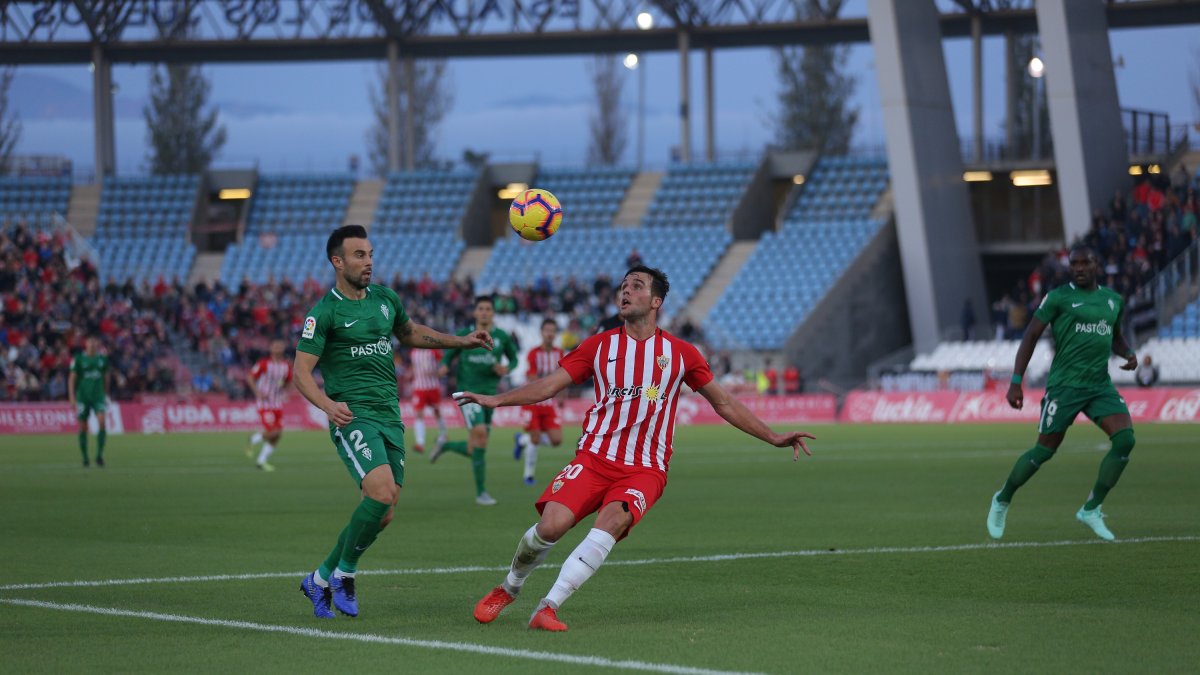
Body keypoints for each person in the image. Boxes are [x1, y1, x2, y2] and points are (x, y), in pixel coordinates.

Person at [457, 265, 815, 632]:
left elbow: (722, 402)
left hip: (646, 468)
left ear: (656, 301)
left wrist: (772, 436)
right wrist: (497, 401)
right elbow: (550, 385)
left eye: (637, 286)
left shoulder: (681, 353)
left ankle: (548, 606)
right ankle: (510, 587)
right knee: (550, 526)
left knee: (612, 520)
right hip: (594, 458)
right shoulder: (598, 346)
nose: (625, 291)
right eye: (623, 286)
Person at [293, 225, 493, 619]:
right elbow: (300, 372)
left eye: (369, 254)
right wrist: (327, 406)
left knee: (384, 510)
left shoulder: (385, 299)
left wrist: (462, 340)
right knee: (381, 492)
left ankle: (317, 580)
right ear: (337, 261)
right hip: (353, 415)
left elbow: (412, 333)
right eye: (358, 256)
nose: (368, 262)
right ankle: (344, 576)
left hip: (389, 414)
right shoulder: (325, 312)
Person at [987, 245, 1138, 542]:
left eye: (1086, 262)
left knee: (1125, 439)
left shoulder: (1112, 300)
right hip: (1064, 387)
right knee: (1044, 451)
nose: (1079, 268)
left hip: (1098, 386)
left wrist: (1128, 352)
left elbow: (1114, 337)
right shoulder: (1058, 298)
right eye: (1074, 263)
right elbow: (1030, 334)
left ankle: (1091, 509)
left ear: (1097, 264)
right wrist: (1016, 381)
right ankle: (1002, 499)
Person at [431, 295, 520, 506]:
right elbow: (450, 354)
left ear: (493, 313)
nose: (484, 312)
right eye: (480, 308)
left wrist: (506, 368)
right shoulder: (464, 334)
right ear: (474, 312)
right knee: (480, 434)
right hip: (468, 392)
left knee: (476, 447)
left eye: (488, 309)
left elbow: (514, 358)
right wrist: (444, 365)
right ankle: (481, 493)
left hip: (491, 395)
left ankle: (446, 445)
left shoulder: (502, 336)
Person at [512, 318, 565, 485]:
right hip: (533, 402)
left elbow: (565, 375)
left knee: (556, 440)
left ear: (555, 334)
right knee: (535, 438)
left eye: (552, 330)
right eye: (547, 330)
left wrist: (562, 394)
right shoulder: (533, 353)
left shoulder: (560, 354)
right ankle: (528, 475)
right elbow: (533, 378)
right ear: (541, 333)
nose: (549, 334)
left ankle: (521, 440)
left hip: (549, 404)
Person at [244, 338, 292, 472]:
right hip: (265, 404)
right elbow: (250, 377)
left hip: (277, 403)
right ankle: (253, 439)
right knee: (273, 431)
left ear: (283, 348)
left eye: (279, 345)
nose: (277, 347)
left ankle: (261, 461)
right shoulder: (264, 363)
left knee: (278, 435)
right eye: (275, 345)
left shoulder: (286, 365)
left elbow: (289, 380)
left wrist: (285, 391)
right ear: (270, 348)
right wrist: (257, 392)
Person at [68, 335, 109, 468]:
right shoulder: (79, 359)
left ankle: (99, 455)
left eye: (94, 341)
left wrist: (106, 394)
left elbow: (106, 378)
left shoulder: (102, 359)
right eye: (90, 341)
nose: (92, 344)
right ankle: (85, 457)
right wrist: (72, 397)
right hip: (83, 397)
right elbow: (72, 379)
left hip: (98, 396)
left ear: (97, 343)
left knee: (102, 422)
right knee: (83, 426)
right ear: (85, 344)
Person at [407, 347, 447, 454]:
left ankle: (443, 435)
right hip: (419, 388)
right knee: (419, 413)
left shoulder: (433, 351)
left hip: (433, 386)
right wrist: (410, 373)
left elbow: (444, 365)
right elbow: (413, 366)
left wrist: (438, 372)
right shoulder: (413, 352)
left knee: (437, 411)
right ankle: (420, 443)